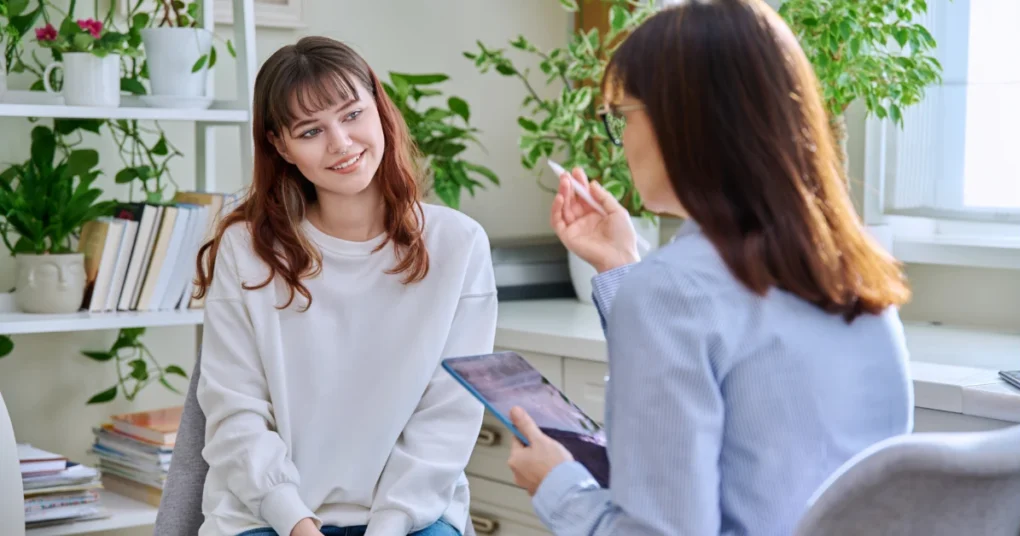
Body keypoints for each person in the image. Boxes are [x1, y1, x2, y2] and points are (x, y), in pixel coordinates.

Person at [505, 1, 914, 535]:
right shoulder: (852, 270)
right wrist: (619, 263)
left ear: (683, 123)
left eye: (623, 116)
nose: (621, 139)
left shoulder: (671, 290)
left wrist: (558, 484)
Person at [192, 36, 497, 536]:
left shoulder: (458, 246)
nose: (340, 143)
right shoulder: (246, 249)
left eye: (352, 114)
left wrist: (389, 524)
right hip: (267, 517)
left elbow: (449, 416)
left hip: (411, 517)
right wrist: (295, 521)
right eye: (310, 130)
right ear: (279, 145)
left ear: (379, 108)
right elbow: (235, 414)